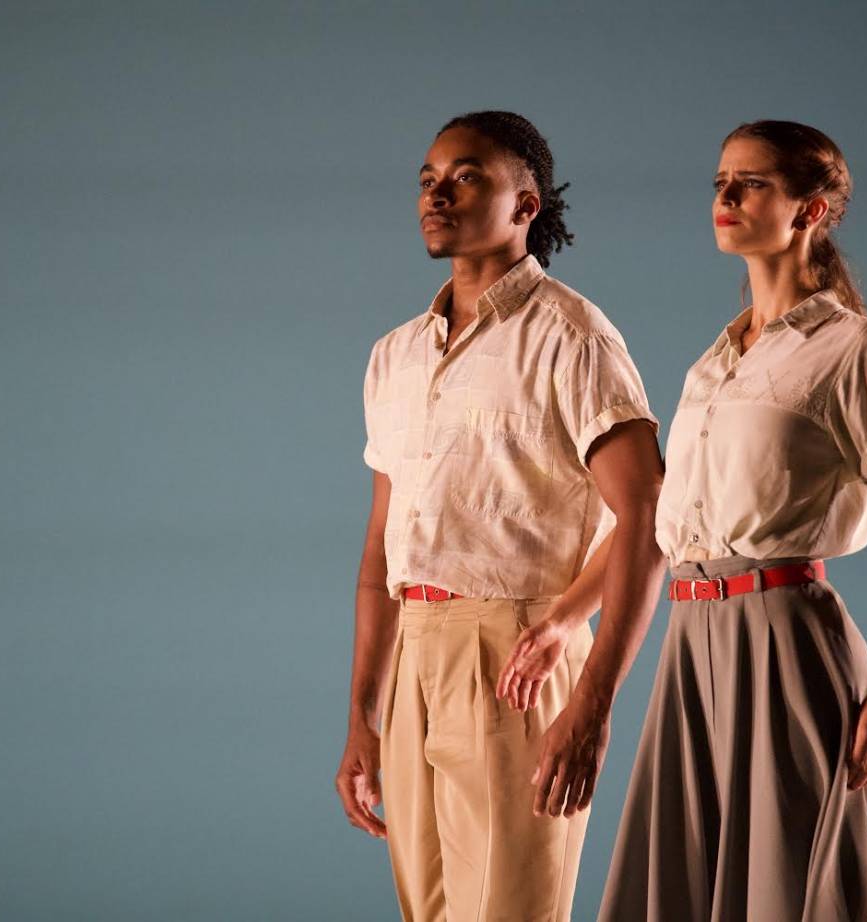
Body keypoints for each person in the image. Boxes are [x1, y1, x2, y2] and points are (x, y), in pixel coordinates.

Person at [598, 120, 867, 922]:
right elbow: (658, 522)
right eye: (721, 180)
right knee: (683, 887)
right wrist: (563, 621)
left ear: (810, 210)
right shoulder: (711, 365)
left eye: (751, 183)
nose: (725, 196)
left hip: (787, 643)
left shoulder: (859, 349)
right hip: (689, 646)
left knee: (793, 889)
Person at [334, 110, 667, 922]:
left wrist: (589, 699)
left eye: (466, 176)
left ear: (526, 205)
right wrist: (362, 720)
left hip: (518, 655)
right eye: (427, 179)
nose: (436, 193)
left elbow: (650, 518)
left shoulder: (571, 338)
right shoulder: (396, 354)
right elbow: (382, 553)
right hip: (415, 646)